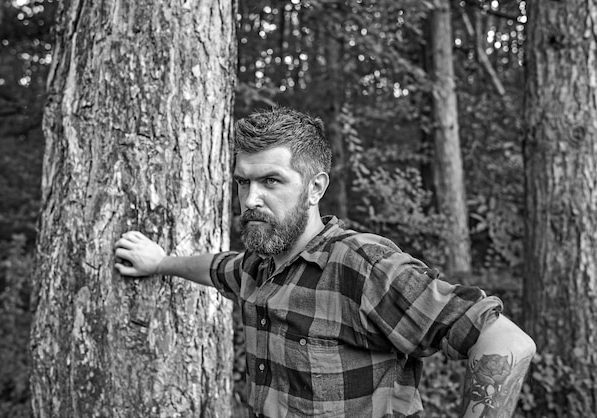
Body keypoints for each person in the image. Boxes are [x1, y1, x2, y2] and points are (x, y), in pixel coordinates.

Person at [114, 107, 536, 418]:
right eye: (244, 182)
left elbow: (507, 343)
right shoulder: (258, 267)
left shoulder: (363, 266)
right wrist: (160, 262)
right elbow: (213, 267)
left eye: (271, 181)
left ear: (315, 188)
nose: (250, 199)